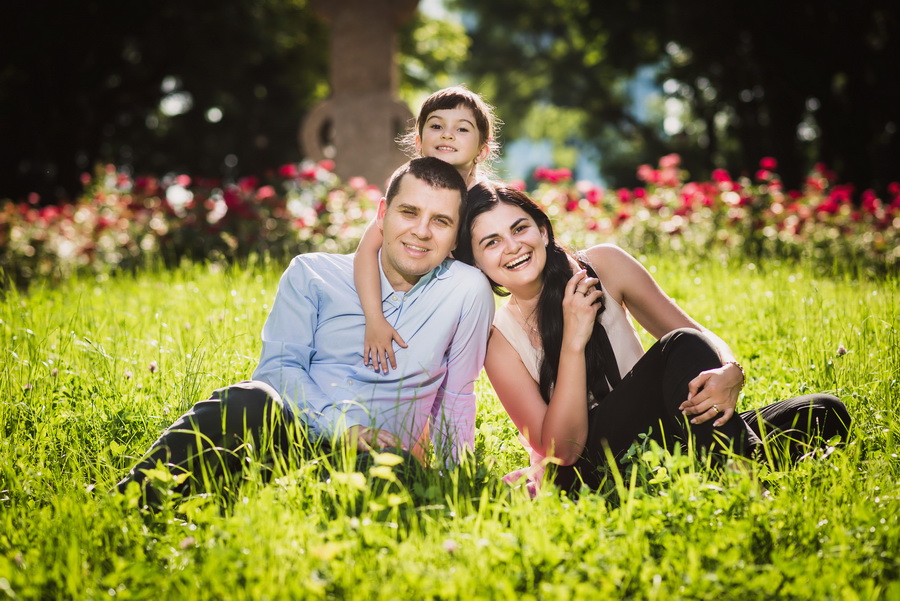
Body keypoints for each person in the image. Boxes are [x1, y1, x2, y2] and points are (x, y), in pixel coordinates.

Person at [116, 158, 495, 505]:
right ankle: (127, 502)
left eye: (441, 221)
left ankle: (252, 505)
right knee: (248, 400)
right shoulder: (313, 273)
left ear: (455, 237)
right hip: (290, 437)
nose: (421, 231)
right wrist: (341, 427)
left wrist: (455, 484)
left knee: (394, 476)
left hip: (377, 461)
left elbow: (457, 395)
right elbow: (279, 368)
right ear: (382, 214)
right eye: (409, 212)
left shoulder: (466, 290)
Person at [452, 182, 851, 494]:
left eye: (519, 228)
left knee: (823, 411)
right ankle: (743, 481)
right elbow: (563, 450)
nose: (513, 247)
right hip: (587, 469)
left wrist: (731, 369)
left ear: (542, 230)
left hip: (666, 429)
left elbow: (699, 335)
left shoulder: (604, 264)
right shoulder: (498, 338)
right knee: (679, 345)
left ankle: (709, 461)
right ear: (477, 263)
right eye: (491, 242)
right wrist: (574, 340)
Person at [353, 86, 500, 374]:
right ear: (418, 141)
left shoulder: (487, 202)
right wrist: (374, 318)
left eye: (461, 129)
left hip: (460, 305)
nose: (447, 135)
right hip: (404, 297)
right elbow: (365, 252)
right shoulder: (411, 186)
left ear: (483, 150)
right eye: (436, 126)